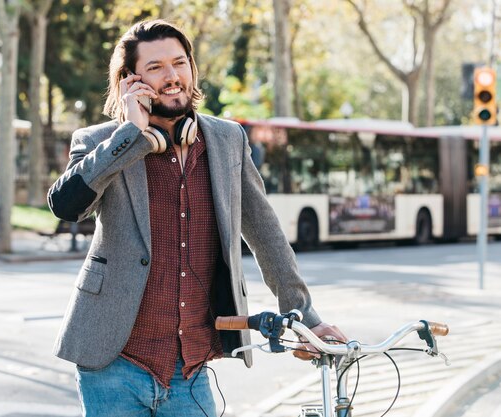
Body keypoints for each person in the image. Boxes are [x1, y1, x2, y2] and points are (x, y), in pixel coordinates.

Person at [47, 19, 346, 417]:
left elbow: (265, 232)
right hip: (111, 362)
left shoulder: (227, 140)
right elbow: (67, 205)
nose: (172, 77)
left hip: (190, 369)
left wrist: (306, 317)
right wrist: (128, 135)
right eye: (155, 67)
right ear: (130, 80)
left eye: (180, 62)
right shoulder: (99, 142)